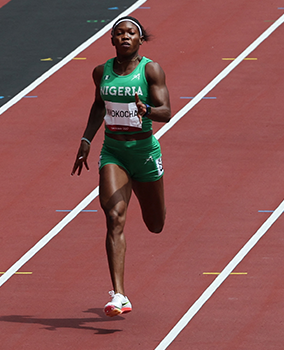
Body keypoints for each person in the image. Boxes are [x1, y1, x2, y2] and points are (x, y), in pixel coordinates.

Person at [71, 16, 171, 317]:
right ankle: (119, 295)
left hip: (144, 152)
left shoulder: (150, 70)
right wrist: (87, 139)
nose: (125, 37)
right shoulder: (101, 72)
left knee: (155, 224)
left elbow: (167, 111)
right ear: (112, 39)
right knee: (113, 216)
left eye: (131, 33)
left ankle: (151, 202)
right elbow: (99, 105)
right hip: (113, 151)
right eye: (119, 33)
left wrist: (148, 109)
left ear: (141, 40)